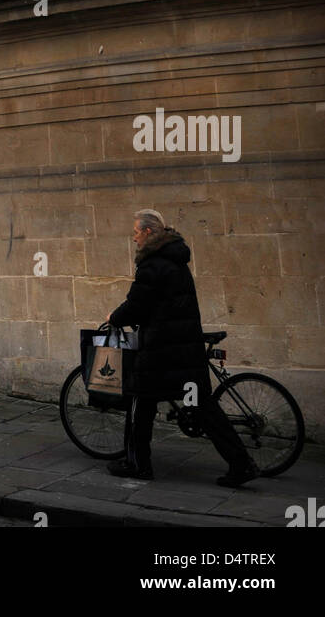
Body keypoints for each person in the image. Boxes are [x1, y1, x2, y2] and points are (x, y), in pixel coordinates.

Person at [105, 208, 258, 487]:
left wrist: (113, 318)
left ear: (149, 233)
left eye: (136, 233)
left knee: (140, 401)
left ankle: (138, 465)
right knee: (203, 408)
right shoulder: (176, 260)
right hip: (184, 350)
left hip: (161, 352)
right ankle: (242, 464)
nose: (134, 239)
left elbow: (137, 305)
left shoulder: (152, 265)